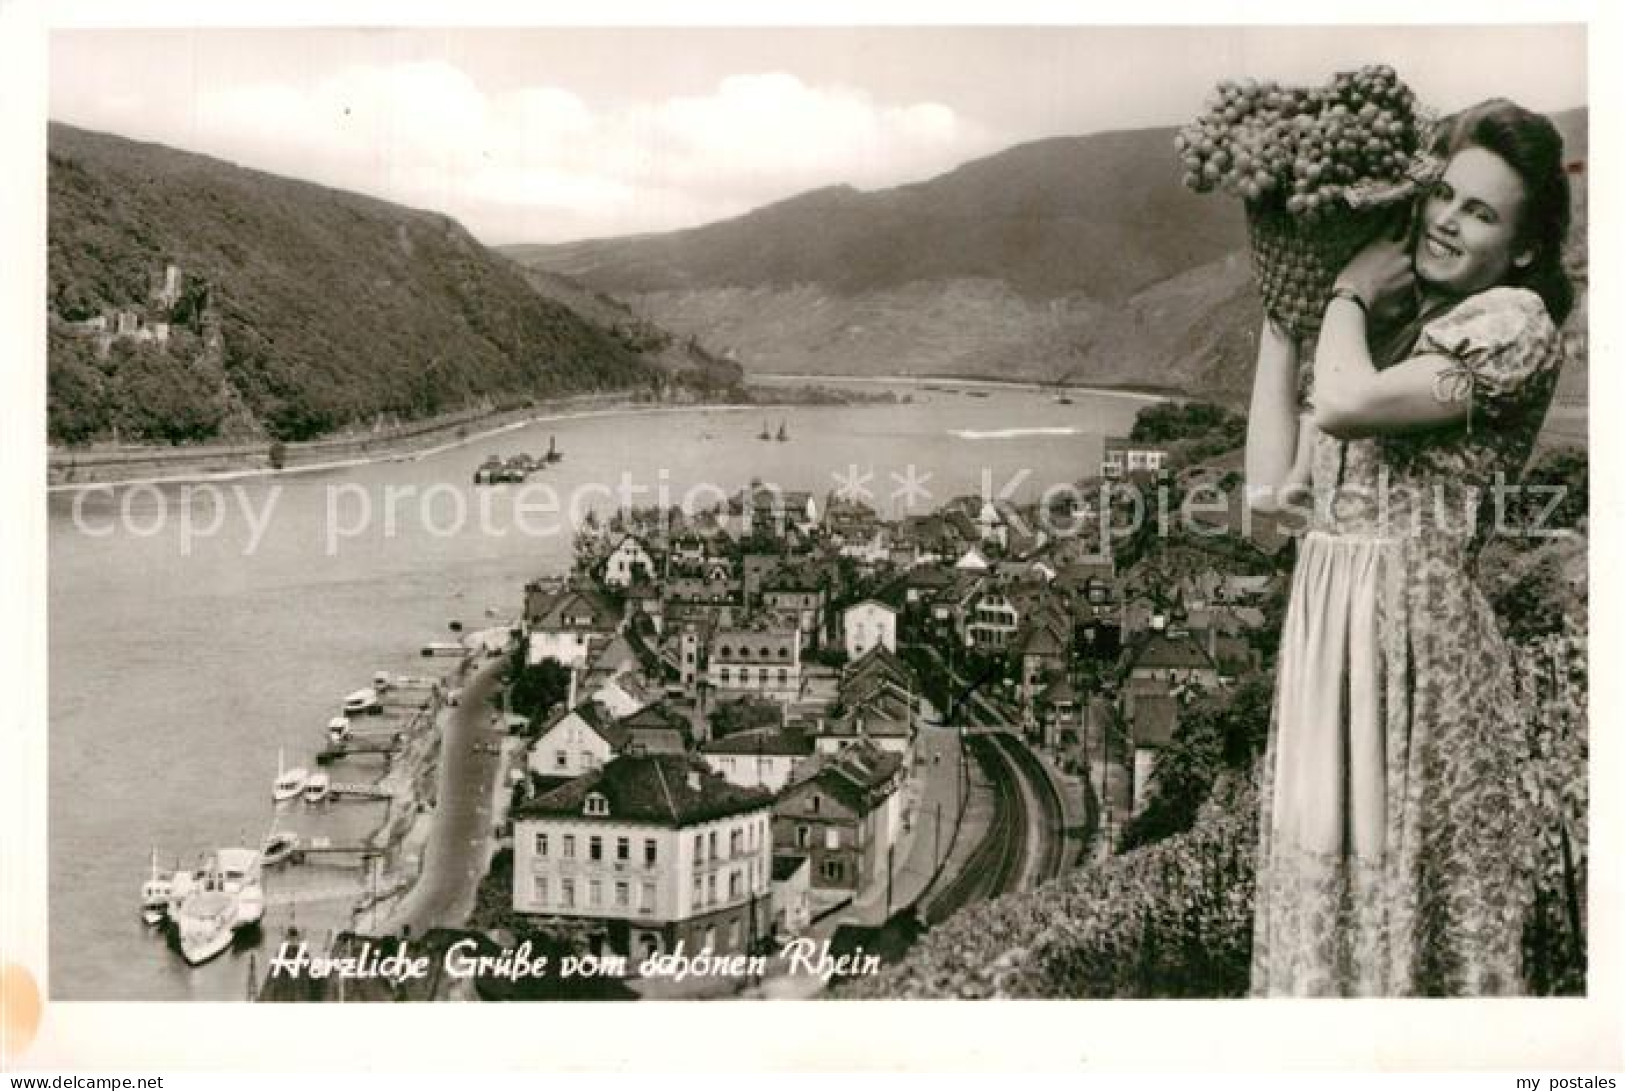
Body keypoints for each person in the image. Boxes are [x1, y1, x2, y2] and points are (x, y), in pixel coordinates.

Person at [1244, 99, 1575, 996]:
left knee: (1406, 906)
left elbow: (1345, 406)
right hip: (1328, 640)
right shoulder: (1384, 334)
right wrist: (1286, 317)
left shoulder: (1514, 324)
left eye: (1481, 213)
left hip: (1413, 645)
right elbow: (1268, 492)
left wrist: (1346, 291)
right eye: (1442, 196)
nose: (1445, 220)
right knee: (1326, 906)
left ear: (1525, 249)